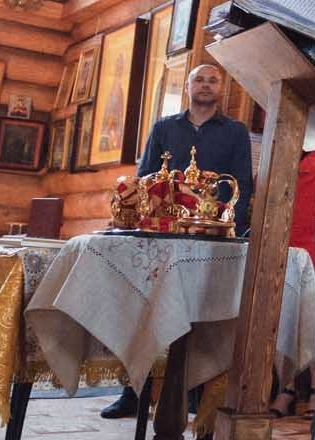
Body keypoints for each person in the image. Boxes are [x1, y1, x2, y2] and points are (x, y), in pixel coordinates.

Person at [101, 62, 255, 421]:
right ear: (188, 86)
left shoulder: (234, 132)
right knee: (147, 307)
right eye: (199, 79)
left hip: (209, 235)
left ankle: (191, 393)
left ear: (223, 88)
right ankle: (132, 393)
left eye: (212, 80)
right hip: (161, 232)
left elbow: (242, 184)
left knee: (199, 312)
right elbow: (144, 177)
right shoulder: (164, 128)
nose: (205, 85)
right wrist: (139, 217)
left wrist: (234, 228)